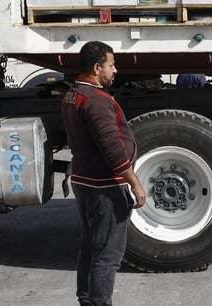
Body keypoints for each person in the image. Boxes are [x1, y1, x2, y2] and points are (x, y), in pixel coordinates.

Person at [61, 40, 147, 306]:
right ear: (97, 68)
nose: (115, 71)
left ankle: (86, 300)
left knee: (90, 247)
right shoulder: (96, 102)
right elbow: (112, 149)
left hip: (84, 182)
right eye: (111, 65)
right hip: (104, 186)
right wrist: (135, 183)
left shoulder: (73, 94)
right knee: (107, 255)